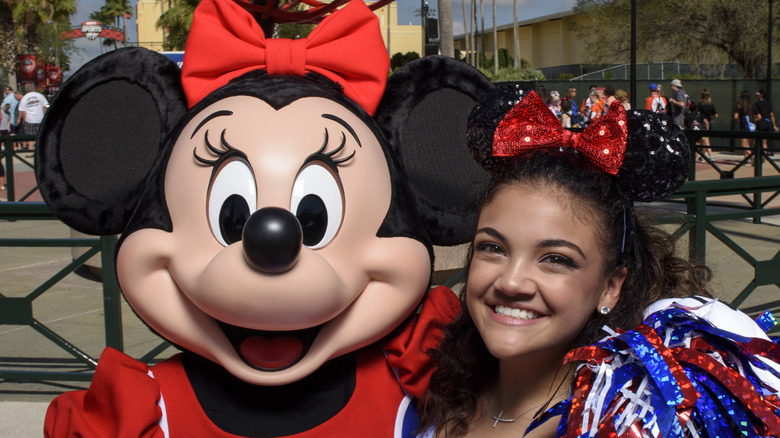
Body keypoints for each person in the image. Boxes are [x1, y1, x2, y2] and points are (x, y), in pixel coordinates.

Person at [417, 86, 780, 437]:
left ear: (610, 288)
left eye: (555, 259)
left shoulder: (632, 426)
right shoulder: (429, 393)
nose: (511, 282)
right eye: (493, 248)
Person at [753, 89, 779, 155]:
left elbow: (758, 116)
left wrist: (754, 121)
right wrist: (774, 125)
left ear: (760, 95)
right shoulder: (768, 104)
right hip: (768, 123)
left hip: (760, 123)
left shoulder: (756, 104)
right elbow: (772, 115)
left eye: (758, 94)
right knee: (765, 142)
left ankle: (758, 157)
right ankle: (764, 156)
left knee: (757, 141)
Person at [697, 89, 718, 160]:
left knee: (705, 139)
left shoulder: (700, 104)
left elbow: (698, 113)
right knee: (704, 139)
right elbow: (716, 114)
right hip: (709, 122)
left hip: (703, 123)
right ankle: (703, 155)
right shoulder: (710, 104)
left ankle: (710, 154)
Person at [734, 90, 755, 163]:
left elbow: (736, 116)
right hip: (751, 124)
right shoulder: (752, 104)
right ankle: (745, 159)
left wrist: (739, 119)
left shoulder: (739, 104)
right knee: (748, 143)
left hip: (743, 124)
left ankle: (751, 155)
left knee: (743, 143)